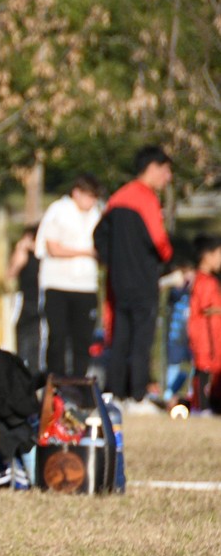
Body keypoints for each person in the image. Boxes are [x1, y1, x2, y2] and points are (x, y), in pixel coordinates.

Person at [94, 146, 174, 407]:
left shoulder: (117, 198)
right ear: (152, 168)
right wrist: (168, 257)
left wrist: (112, 262)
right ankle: (138, 395)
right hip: (142, 279)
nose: (168, 177)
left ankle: (115, 394)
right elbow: (159, 240)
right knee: (142, 338)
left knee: (120, 336)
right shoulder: (146, 198)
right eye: (166, 170)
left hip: (118, 280)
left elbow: (99, 236)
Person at [36, 175, 102, 378]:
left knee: (82, 340)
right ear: (76, 193)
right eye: (88, 196)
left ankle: (79, 385)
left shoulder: (96, 214)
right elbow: (53, 247)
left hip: (86, 286)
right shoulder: (59, 210)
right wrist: (86, 252)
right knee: (58, 337)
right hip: (58, 284)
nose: (91, 202)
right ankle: (55, 383)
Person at [186, 236, 221, 414]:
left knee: (207, 370)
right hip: (204, 335)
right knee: (204, 370)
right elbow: (207, 308)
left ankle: (205, 405)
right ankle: (202, 407)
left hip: (210, 335)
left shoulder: (204, 279)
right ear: (207, 255)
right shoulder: (205, 281)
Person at [9, 224, 42, 374]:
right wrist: (19, 253)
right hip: (25, 303)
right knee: (22, 342)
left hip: (41, 303)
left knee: (37, 344)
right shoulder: (24, 255)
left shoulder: (44, 254)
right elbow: (9, 275)